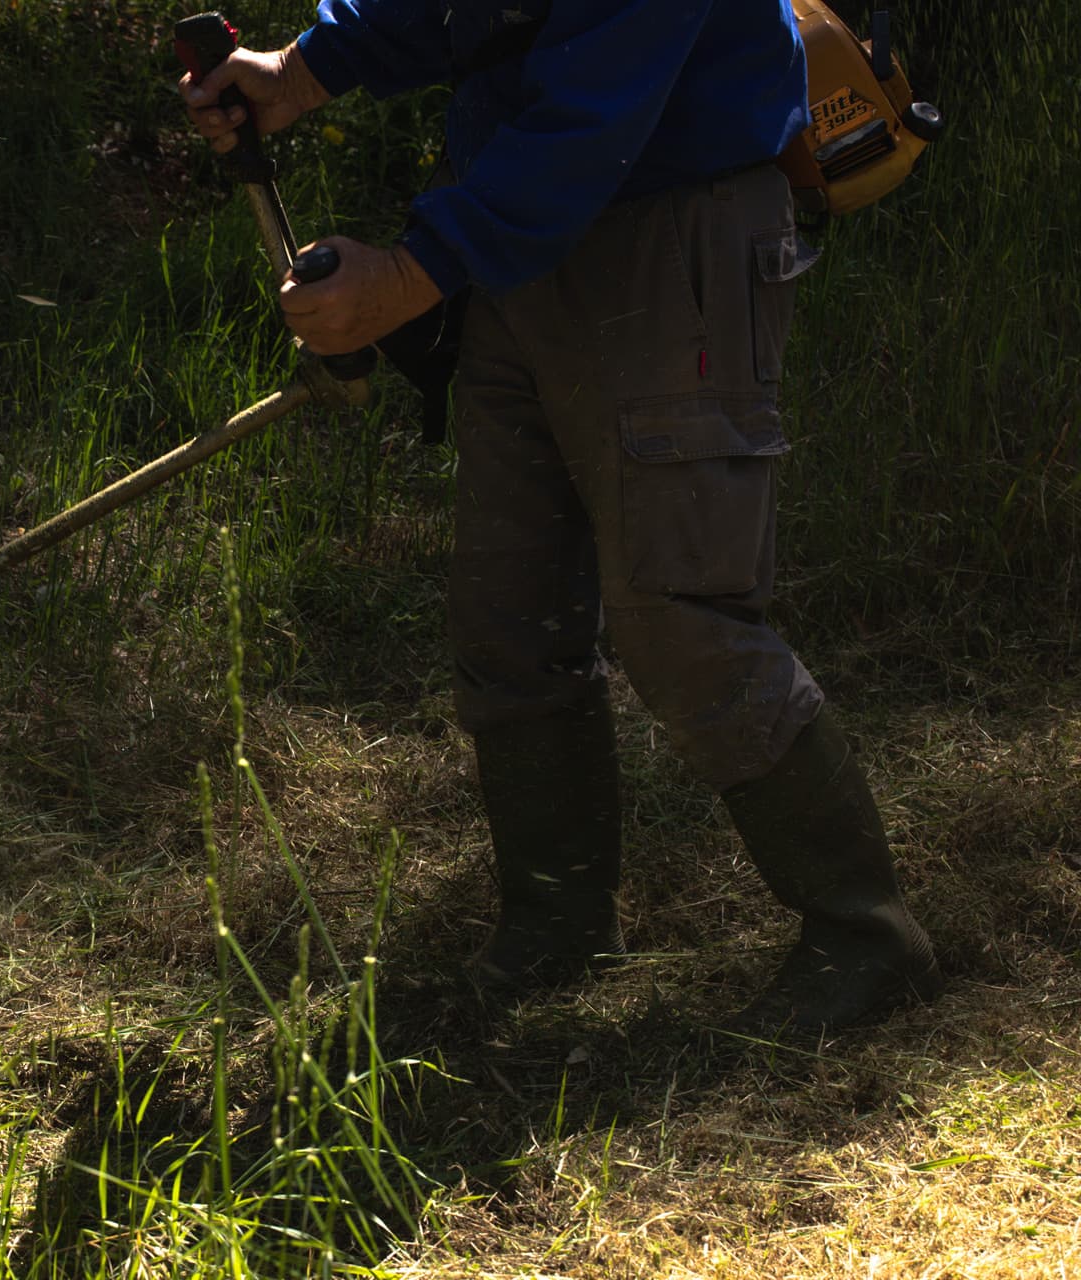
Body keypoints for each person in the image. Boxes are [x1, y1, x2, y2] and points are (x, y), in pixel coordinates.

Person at [181, 1, 943, 1031]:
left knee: (682, 611)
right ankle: (558, 923)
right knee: (512, 610)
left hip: (674, 227)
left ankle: (866, 934)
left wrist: (407, 275)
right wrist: (305, 69)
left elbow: (598, 109)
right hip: (520, 238)